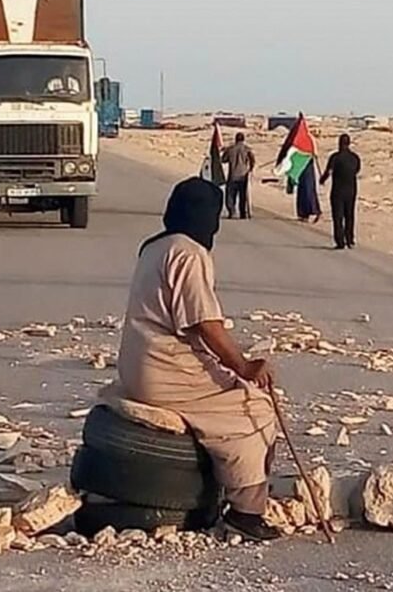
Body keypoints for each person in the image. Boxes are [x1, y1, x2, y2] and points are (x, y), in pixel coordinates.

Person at [116, 177, 280, 542]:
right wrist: (243, 366)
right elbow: (205, 322)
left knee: (233, 390)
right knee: (252, 410)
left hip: (137, 364)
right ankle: (245, 511)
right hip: (165, 369)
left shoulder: (155, 246)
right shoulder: (188, 253)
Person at [320, 133, 361, 249]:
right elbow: (357, 170)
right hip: (351, 190)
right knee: (350, 215)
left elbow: (329, 171)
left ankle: (340, 241)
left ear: (339, 143)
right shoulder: (355, 157)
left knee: (338, 216)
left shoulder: (335, 157)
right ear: (349, 143)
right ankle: (349, 239)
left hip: (338, 190)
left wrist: (322, 180)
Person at [222, 133, 255, 219]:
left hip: (232, 175)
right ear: (243, 139)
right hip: (243, 176)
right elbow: (252, 160)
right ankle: (242, 213)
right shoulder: (247, 149)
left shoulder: (230, 149)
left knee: (230, 195)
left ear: (235, 139)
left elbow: (223, 160)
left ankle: (232, 211)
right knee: (242, 195)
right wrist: (250, 169)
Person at [295, 158, 322, 223]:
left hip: (305, 160)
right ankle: (304, 213)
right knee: (304, 187)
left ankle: (313, 211)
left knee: (307, 188)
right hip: (301, 161)